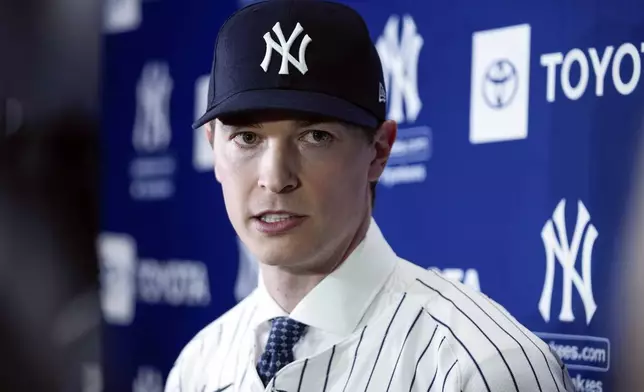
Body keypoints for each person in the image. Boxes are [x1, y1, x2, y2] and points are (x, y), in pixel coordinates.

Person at [165, 1, 574, 391]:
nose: (275, 178)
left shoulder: (482, 368)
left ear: (379, 151)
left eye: (315, 136)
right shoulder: (199, 364)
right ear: (214, 148)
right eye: (247, 138)